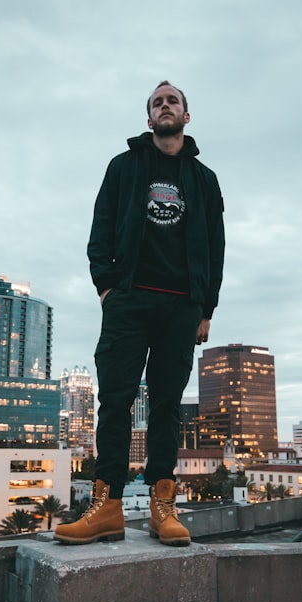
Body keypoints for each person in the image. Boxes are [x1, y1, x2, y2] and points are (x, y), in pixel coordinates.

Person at [54, 81, 225, 547]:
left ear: (186, 117)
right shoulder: (124, 166)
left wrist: (204, 308)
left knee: (168, 406)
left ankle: (161, 505)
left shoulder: (204, 180)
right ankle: (105, 507)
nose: (165, 106)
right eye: (157, 102)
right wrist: (107, 288)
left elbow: (216, 246)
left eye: (173, 101)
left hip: (180, 306)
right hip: (128, 299)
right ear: (148, 117)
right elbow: (101, 227)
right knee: (115, 400)